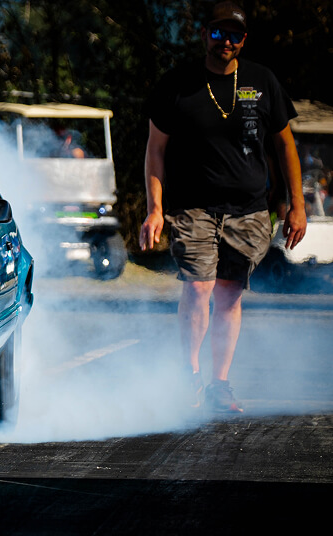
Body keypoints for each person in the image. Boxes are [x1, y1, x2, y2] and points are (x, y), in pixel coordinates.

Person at [139, 1, 306, 413]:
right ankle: (189, 378)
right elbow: (155, 151)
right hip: (192, 208)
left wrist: (295, 205)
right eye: (217, 33)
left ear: (243, 40)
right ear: (204, 35)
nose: (225, 41)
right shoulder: (177, 85)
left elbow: (286, 146)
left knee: (230, 295)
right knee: (198, 287)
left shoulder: (262, 82)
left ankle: (219, 384)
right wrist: (155, 208)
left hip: (249, 210)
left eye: (233, 35)